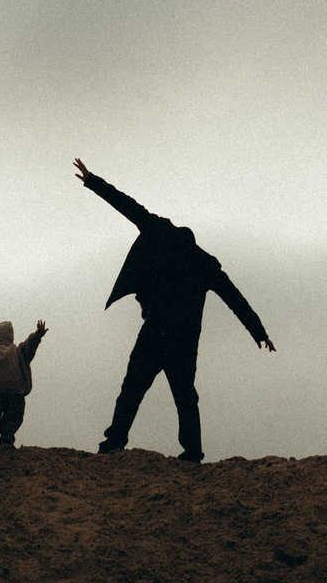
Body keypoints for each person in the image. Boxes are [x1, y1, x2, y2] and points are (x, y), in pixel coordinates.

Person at [73, 158, 274, 461]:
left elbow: (129, 207)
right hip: (184, 337)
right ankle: (192, 452)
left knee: (132, 389)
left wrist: (92, 181)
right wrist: (259, 333)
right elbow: (236, 299)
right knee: (184, 397)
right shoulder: (205, 264)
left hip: (156, 330)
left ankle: (113, 443)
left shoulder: (160, 233)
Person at [0, 318, 48, 452]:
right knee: (13, 418)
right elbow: (30, 344)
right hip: (16, 391)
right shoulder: (19, 351)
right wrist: (38, 334)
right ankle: (6, 444)